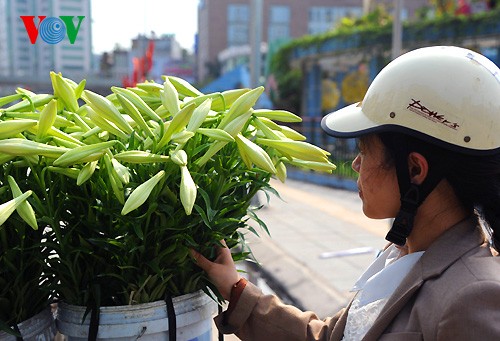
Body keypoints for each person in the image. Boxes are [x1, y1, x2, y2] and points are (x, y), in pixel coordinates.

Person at [191, 46, 500, 340]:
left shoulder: (471, 297)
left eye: (364, 150)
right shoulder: (406, 253)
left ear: (416, 171)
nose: (354, 164)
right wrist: (235, 288)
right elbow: (332, 337)